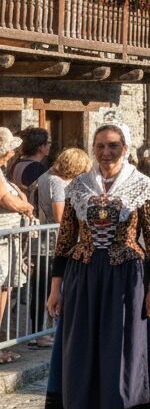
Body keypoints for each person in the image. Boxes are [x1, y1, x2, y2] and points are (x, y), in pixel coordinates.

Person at [43, 121, 150, 409]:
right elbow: (65, 239)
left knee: (121, 350)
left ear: (125, 148)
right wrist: (56, 288)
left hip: (125, 276)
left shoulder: (143, 187)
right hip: (83, 275)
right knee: (83, 350)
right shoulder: (78, 187)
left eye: (113, 145)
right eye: (100, 145)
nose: (106, 152)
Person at [29, 147, 90, 347]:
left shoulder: (48, 177)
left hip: (49, 242)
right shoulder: (54, 181)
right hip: (50, 244)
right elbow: (61, 216)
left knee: (45, 288)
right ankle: (40, 333)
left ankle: (43, 330)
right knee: (44, 289)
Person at [0, 128, 33, 364]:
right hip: (2, 241)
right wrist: (24, 206)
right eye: (10, 147)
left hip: (6, 241)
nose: (13, 151)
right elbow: (7, 201)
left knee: (5, 290)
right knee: (1, 290)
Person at [10, 127, 50, 193]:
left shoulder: (17, 163)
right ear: (40, 147)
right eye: (47, 143)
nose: (49, 146)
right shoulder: (36, 167)